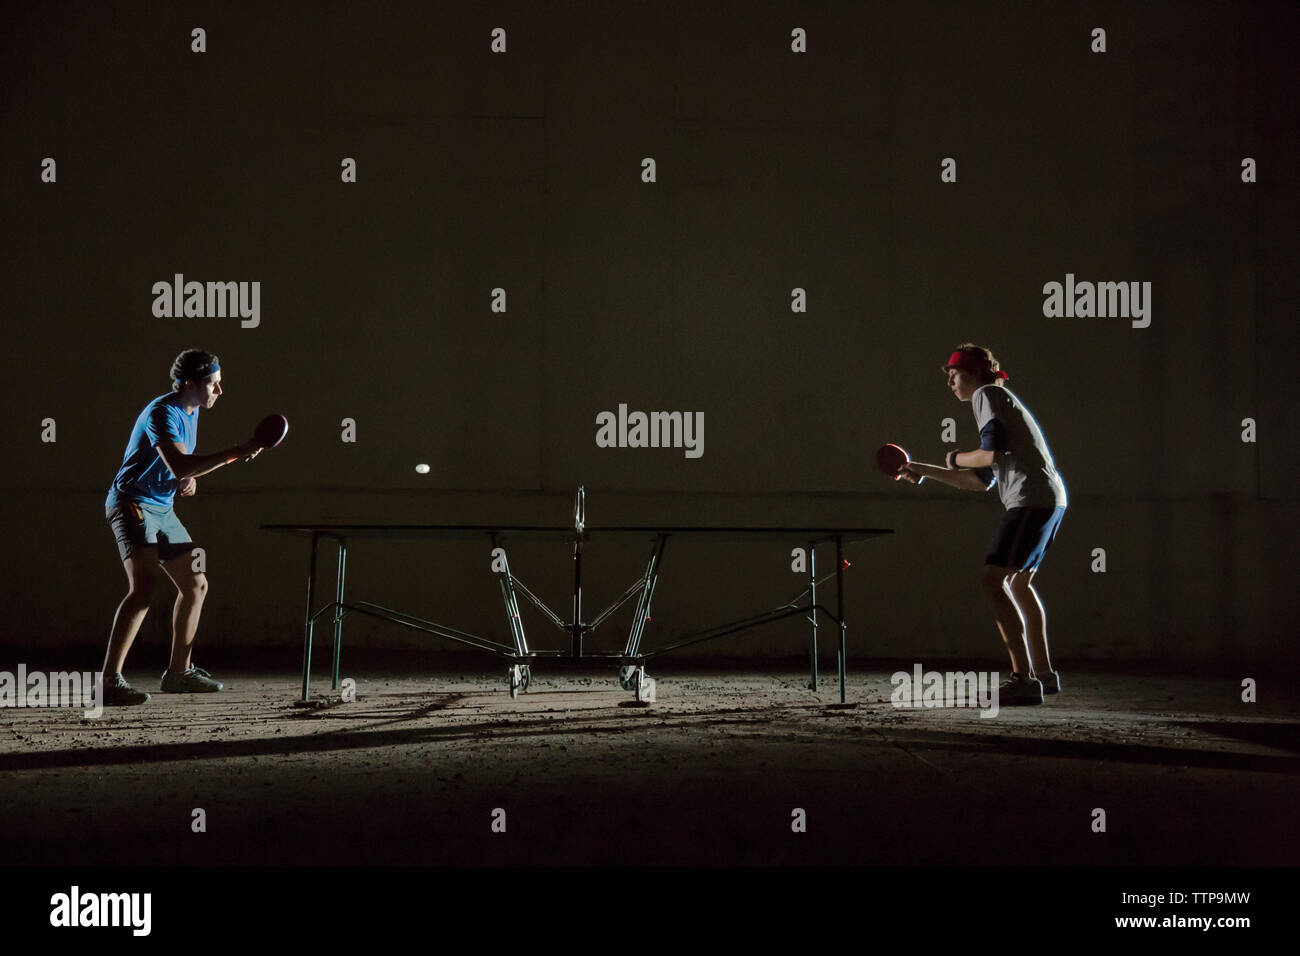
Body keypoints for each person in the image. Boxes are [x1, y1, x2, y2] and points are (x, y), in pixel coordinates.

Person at [898, 344, 1068, 705]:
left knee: (992, 581)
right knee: (1020, 584)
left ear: (973, 375)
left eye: (953, 376)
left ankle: (1022, 679)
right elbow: (978, 480)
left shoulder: (987, 395)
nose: (950, 384)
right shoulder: (1000, 399)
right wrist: (923, 470)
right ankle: (1044, 674)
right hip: (1051, 498)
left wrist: (956, 456)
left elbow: (989, 455)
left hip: (1029, 499)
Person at [101, 350, 262, 705]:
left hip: (162, 507)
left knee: (196, 583)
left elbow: (180, 468)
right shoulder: (162, 412)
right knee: (143, 589)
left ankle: (178, 674)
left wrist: (186, 482)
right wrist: (234, 452)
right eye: (213, 384)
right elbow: (179, 463)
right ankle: (109, 681)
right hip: (132, 504)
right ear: (190, 384)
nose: (220, 391)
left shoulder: (192, 411)